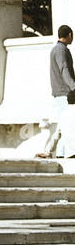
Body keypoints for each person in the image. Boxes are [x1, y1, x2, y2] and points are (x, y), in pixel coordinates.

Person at [40, 25, 75, 159]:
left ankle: (57, 153)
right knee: (67, 125)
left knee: (63, 125)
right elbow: (64, 69)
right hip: (64, 93)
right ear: (70, 35)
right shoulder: (62, 50)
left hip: (59, 93)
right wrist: (73, 87)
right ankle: (64, 152)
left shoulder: (56, 49)